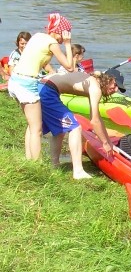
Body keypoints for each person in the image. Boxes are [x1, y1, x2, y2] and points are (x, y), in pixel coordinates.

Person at [8, 13, 75, 162]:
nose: (62, 38)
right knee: (37, 130)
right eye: (63, 35)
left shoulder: (38, 36)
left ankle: (29, 160)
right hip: (26, 84)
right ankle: (36, 166)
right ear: (59, 31)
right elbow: (70, 67)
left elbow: (37, 58)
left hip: (15, 80)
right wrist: (68, 44)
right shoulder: (53, 43)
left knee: (31, 126)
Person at [37, 69, 121, 179]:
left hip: (42, 87)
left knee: (61, 130)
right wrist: (104, 143)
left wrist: (109, 142)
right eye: (115, 85)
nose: (116, 90)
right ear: (109, 79)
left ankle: (55, 165)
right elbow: (94, 121)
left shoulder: (94, 82)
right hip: (47, 90)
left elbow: (97, 118)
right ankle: (78, 171)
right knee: (75, 128)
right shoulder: (96, 88)